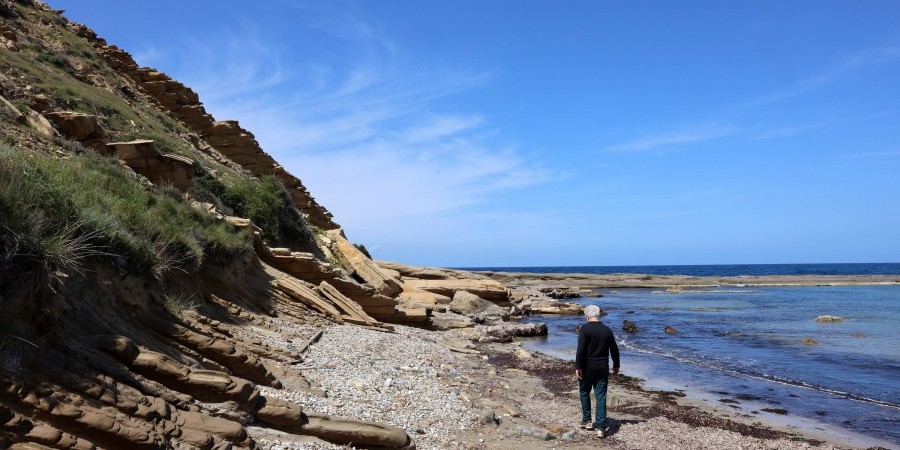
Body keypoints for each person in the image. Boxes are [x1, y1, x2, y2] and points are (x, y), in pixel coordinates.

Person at [575, 304, 620, 437]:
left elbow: (581, 349)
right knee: (600, 395)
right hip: (602, 367)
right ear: (598, 315)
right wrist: (616, 365)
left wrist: (578, 366)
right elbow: (614, 349)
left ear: (587, 316)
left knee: (584, 392)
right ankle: (600, 427)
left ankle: (587, 420)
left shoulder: (584, 329)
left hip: (587, 367)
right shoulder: (607, 330)